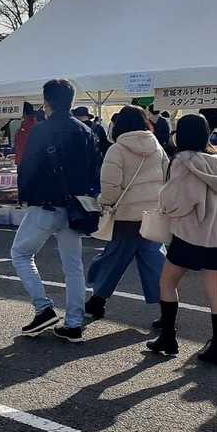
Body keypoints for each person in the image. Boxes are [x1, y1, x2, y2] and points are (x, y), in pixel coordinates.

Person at [12, 79, 102, 342]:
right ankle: (74, 323)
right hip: (75, 207)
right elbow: (95, 169)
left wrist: (24, 197)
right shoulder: (86, 131)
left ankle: (43, 308)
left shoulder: (41, 130)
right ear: (71, 101)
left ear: (46, 101)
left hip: (45, 204)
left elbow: (28, 168)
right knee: (73, 266)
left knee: (21, 254)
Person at [147, 114, 217, 364]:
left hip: (189, 235)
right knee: (215, 292)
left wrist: (165, 206)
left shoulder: (183, 162)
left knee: (167, 283)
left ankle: (168, 337)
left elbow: (178, 201)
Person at [84, 105, 166, 322]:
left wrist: (103, 203)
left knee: (112, 259)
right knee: (155, 263)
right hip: (152, 215)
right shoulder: (157, 147)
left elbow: (110, 188)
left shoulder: (117, 149)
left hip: (126, 217)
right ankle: (168, 310)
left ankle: (97, 301)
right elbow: (167, 177)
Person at [13, 102, 40, 168]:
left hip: (28, 162)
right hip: (22, 160)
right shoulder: (24, 123)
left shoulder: (33, 125)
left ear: (24, 112)